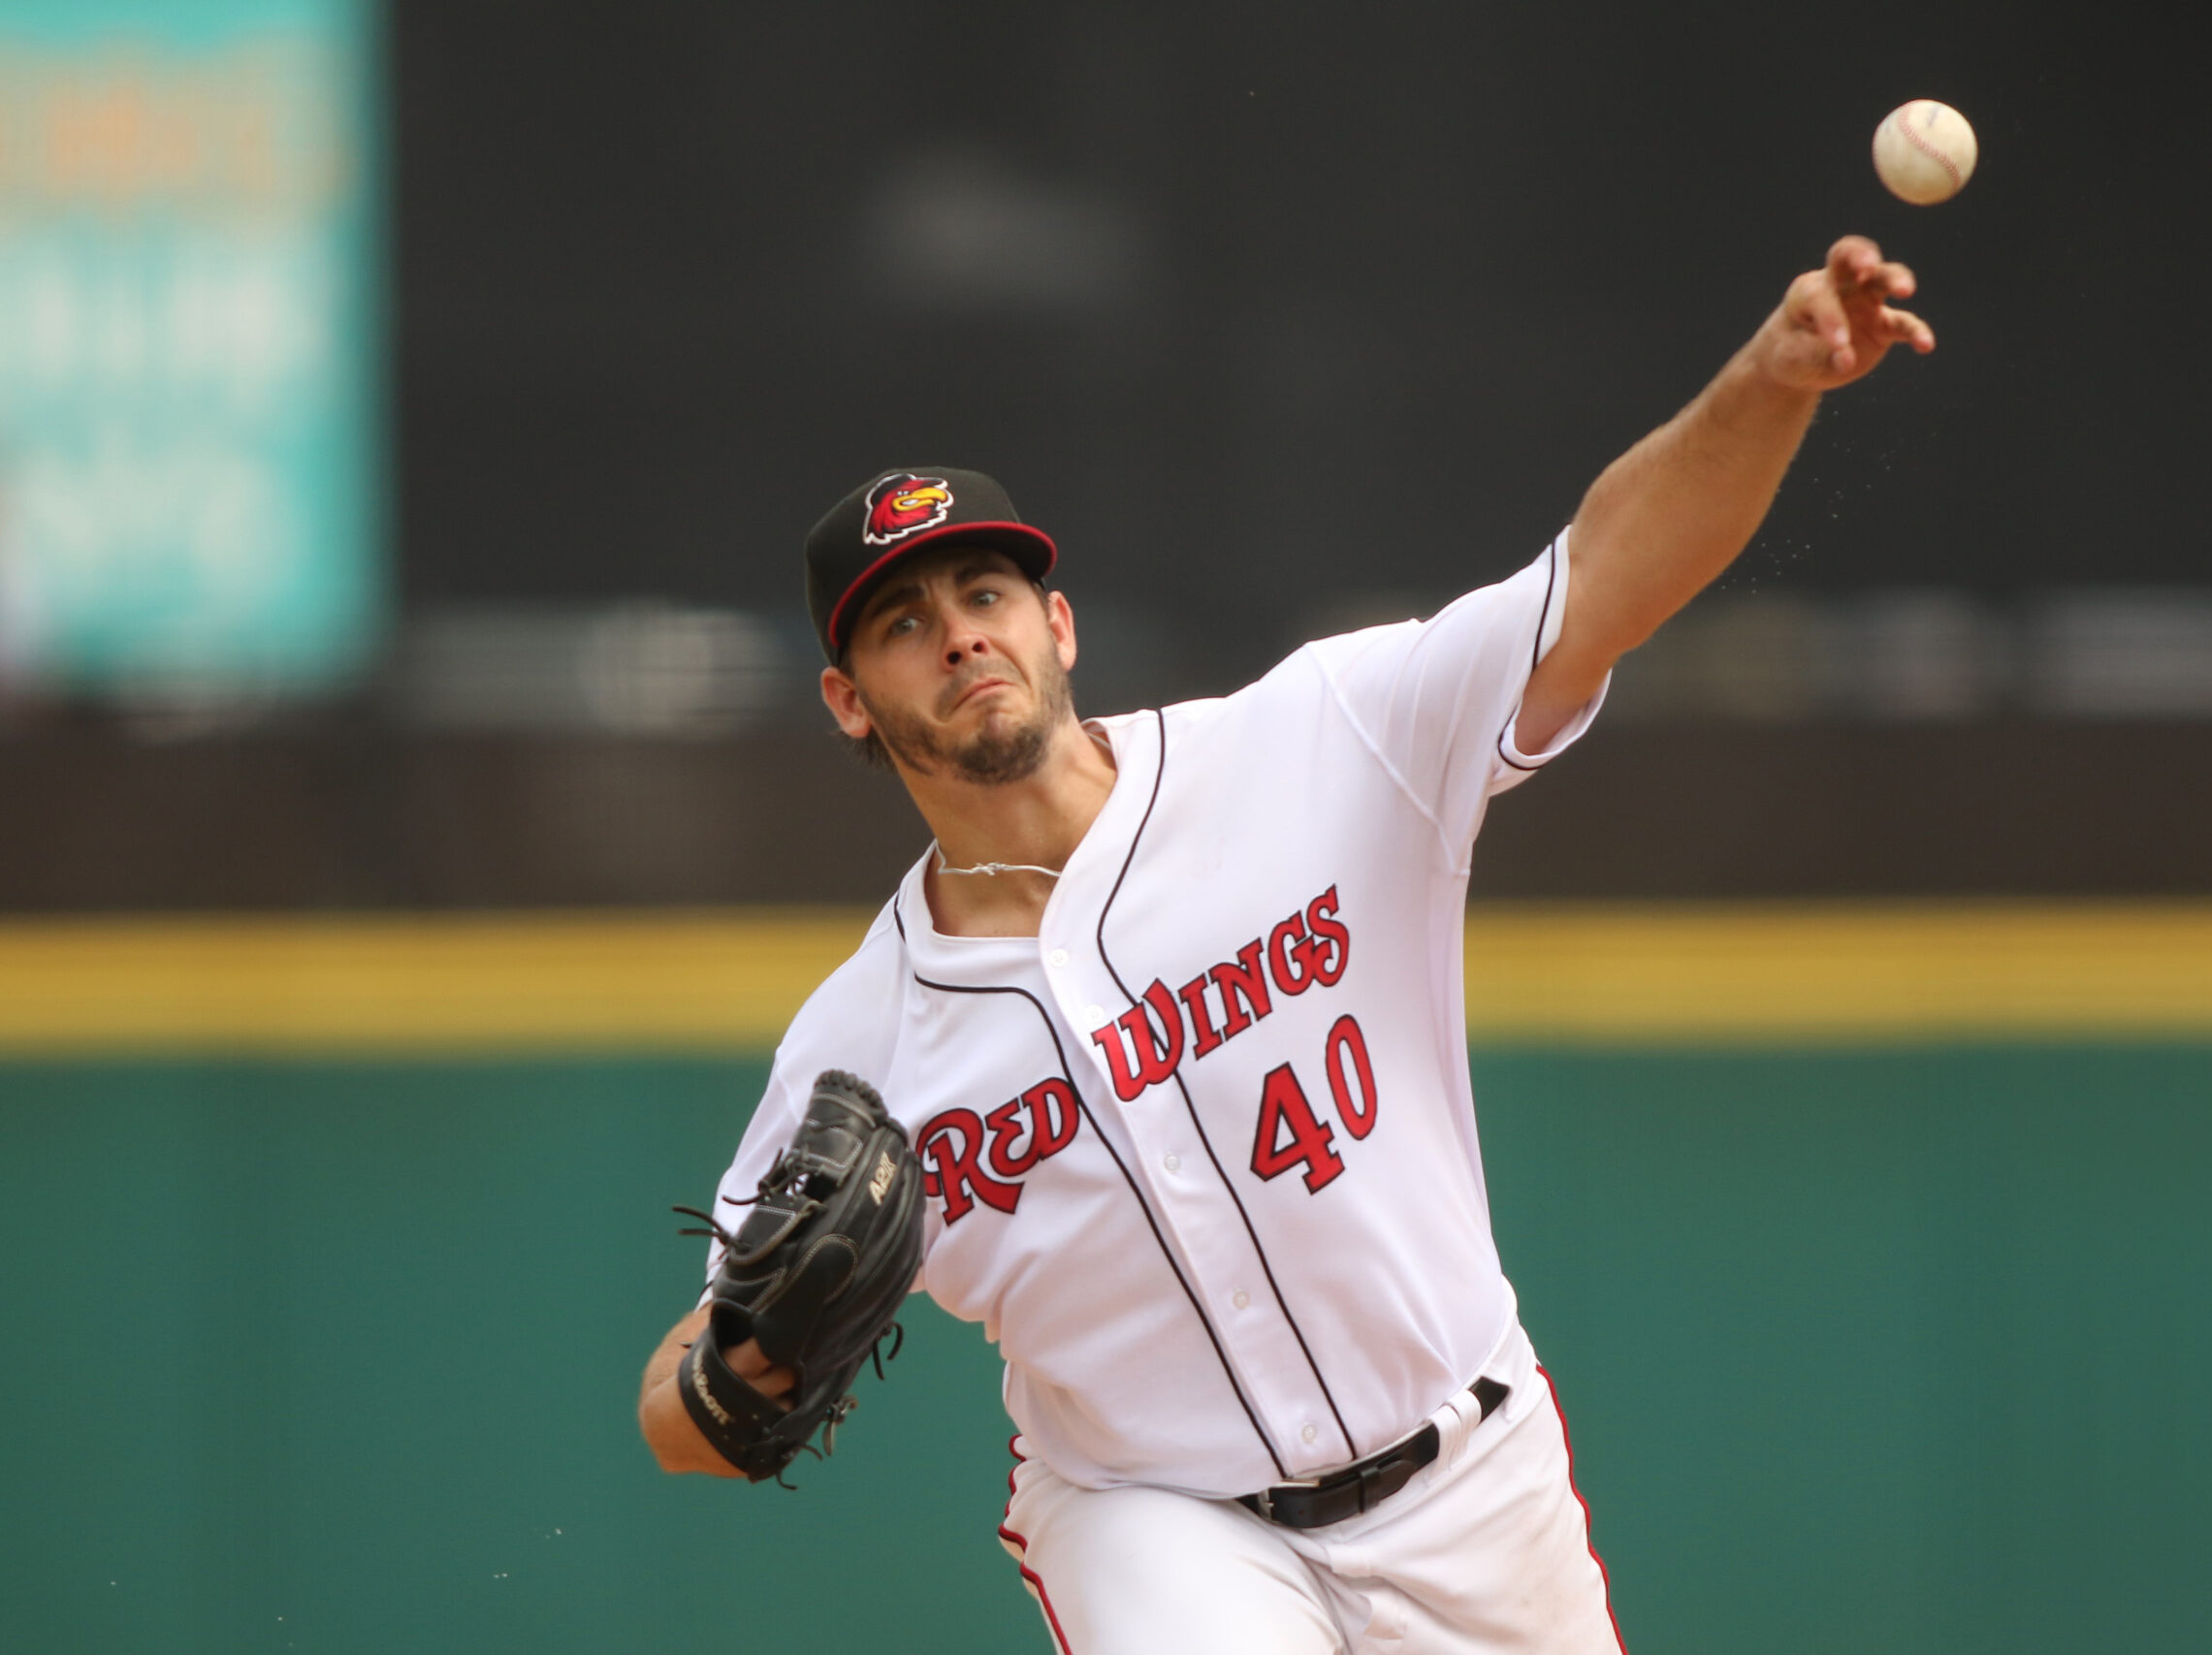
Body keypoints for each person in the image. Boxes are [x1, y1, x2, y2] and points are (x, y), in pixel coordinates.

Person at [638, 236, 1933, 1654]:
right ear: (845, 698)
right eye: (903, 622)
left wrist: (1774, 377)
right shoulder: (864, 1039)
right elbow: (677, 1404)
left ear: (1056, 622)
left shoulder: (1320, 742)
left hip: (1471, 1474)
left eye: (985, 595)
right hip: (1155, 1519)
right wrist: (737, 1376)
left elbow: (1609, 575)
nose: (958, 638)